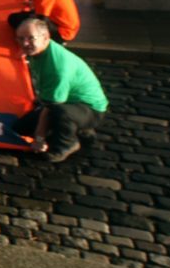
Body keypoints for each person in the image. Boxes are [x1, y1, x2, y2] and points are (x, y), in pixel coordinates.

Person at [12, 17, 108, 163]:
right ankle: (78, 130)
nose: (25, 43)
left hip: (90, 109)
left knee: (59, 113)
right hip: (66, 103)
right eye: (20, 39)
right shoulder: (41, 51)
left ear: (45, 38)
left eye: (31, 38)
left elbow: (52, 106)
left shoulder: (58, 66)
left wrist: (39, 137)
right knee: (20, 128)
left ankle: (66, 144)